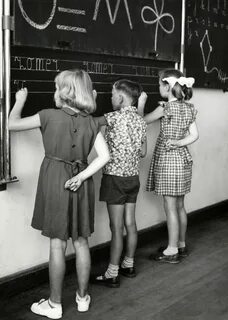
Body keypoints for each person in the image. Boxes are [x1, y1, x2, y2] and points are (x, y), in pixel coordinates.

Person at [9, 69, 110, 319]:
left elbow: (11, 125)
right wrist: (81, 177)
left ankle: (54, 305)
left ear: (64, 91)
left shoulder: (47, 116)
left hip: (56, 180)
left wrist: (19, 101)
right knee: (81, 241)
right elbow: (105, 157)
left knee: (57, 244)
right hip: (82, 180)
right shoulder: (93, 121)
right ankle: (83, 298)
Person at [138, 69, 199, 264]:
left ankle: (171, 251)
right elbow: (194, 135)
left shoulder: (165, 109)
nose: (158, 88)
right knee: (180, 206)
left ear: (168, 87)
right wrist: (179, 142)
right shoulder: (189, 108)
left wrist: (141, 104)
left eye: (159, 85)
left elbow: (141, 122)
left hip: (168, 161)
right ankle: (180, 244)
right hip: (183, 160)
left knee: (170, 207)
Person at [91, 79, 147, 287]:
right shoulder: (141, 121)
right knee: (130, 224)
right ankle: (129, 264)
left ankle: (112, 273)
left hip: (114, 179)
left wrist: (92, 101)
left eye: (112, 94)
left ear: (121, 98)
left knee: (116, 228)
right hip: (133, 178)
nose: (110, 97)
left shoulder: (112, 117)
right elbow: (143, 152)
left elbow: (90, 122)